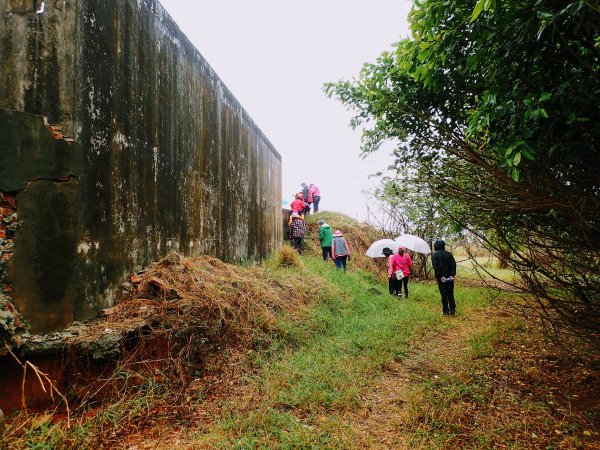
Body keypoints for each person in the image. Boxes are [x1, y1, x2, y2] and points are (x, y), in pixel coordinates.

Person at [431, 239, 457, 316]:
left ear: (436, 246)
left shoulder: (434, 255)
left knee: (444, 294)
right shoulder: (449, 254)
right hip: (449, 277)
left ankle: (445, 311)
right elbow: (453, 265)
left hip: (441, 278)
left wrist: (440, 276)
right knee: (450, 294)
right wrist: (452, 275)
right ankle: (452, 310)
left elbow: (436, 267)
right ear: (443, 246)